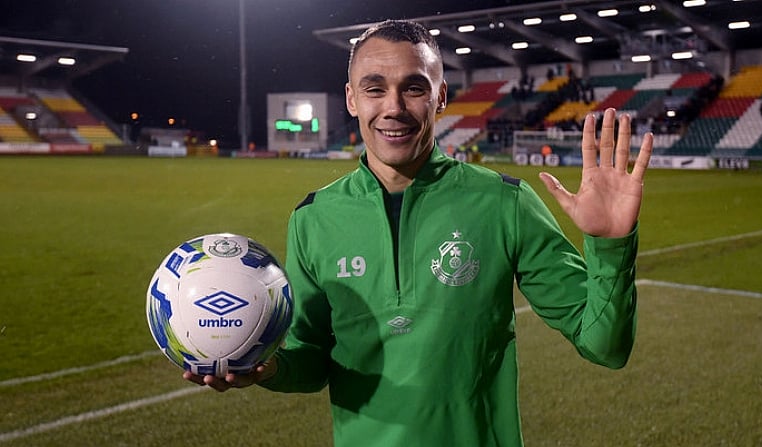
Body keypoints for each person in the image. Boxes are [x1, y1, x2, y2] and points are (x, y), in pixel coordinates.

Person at [184, 19, 654, 447]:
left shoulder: (504, 203)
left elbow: (605, 346)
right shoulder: (313, 219)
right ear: (351, 99)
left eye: (413, 88)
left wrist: (610, 244)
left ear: (441, 97)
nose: (393, 108)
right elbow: (311, 359)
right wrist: (266, 368)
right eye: (374, 89)